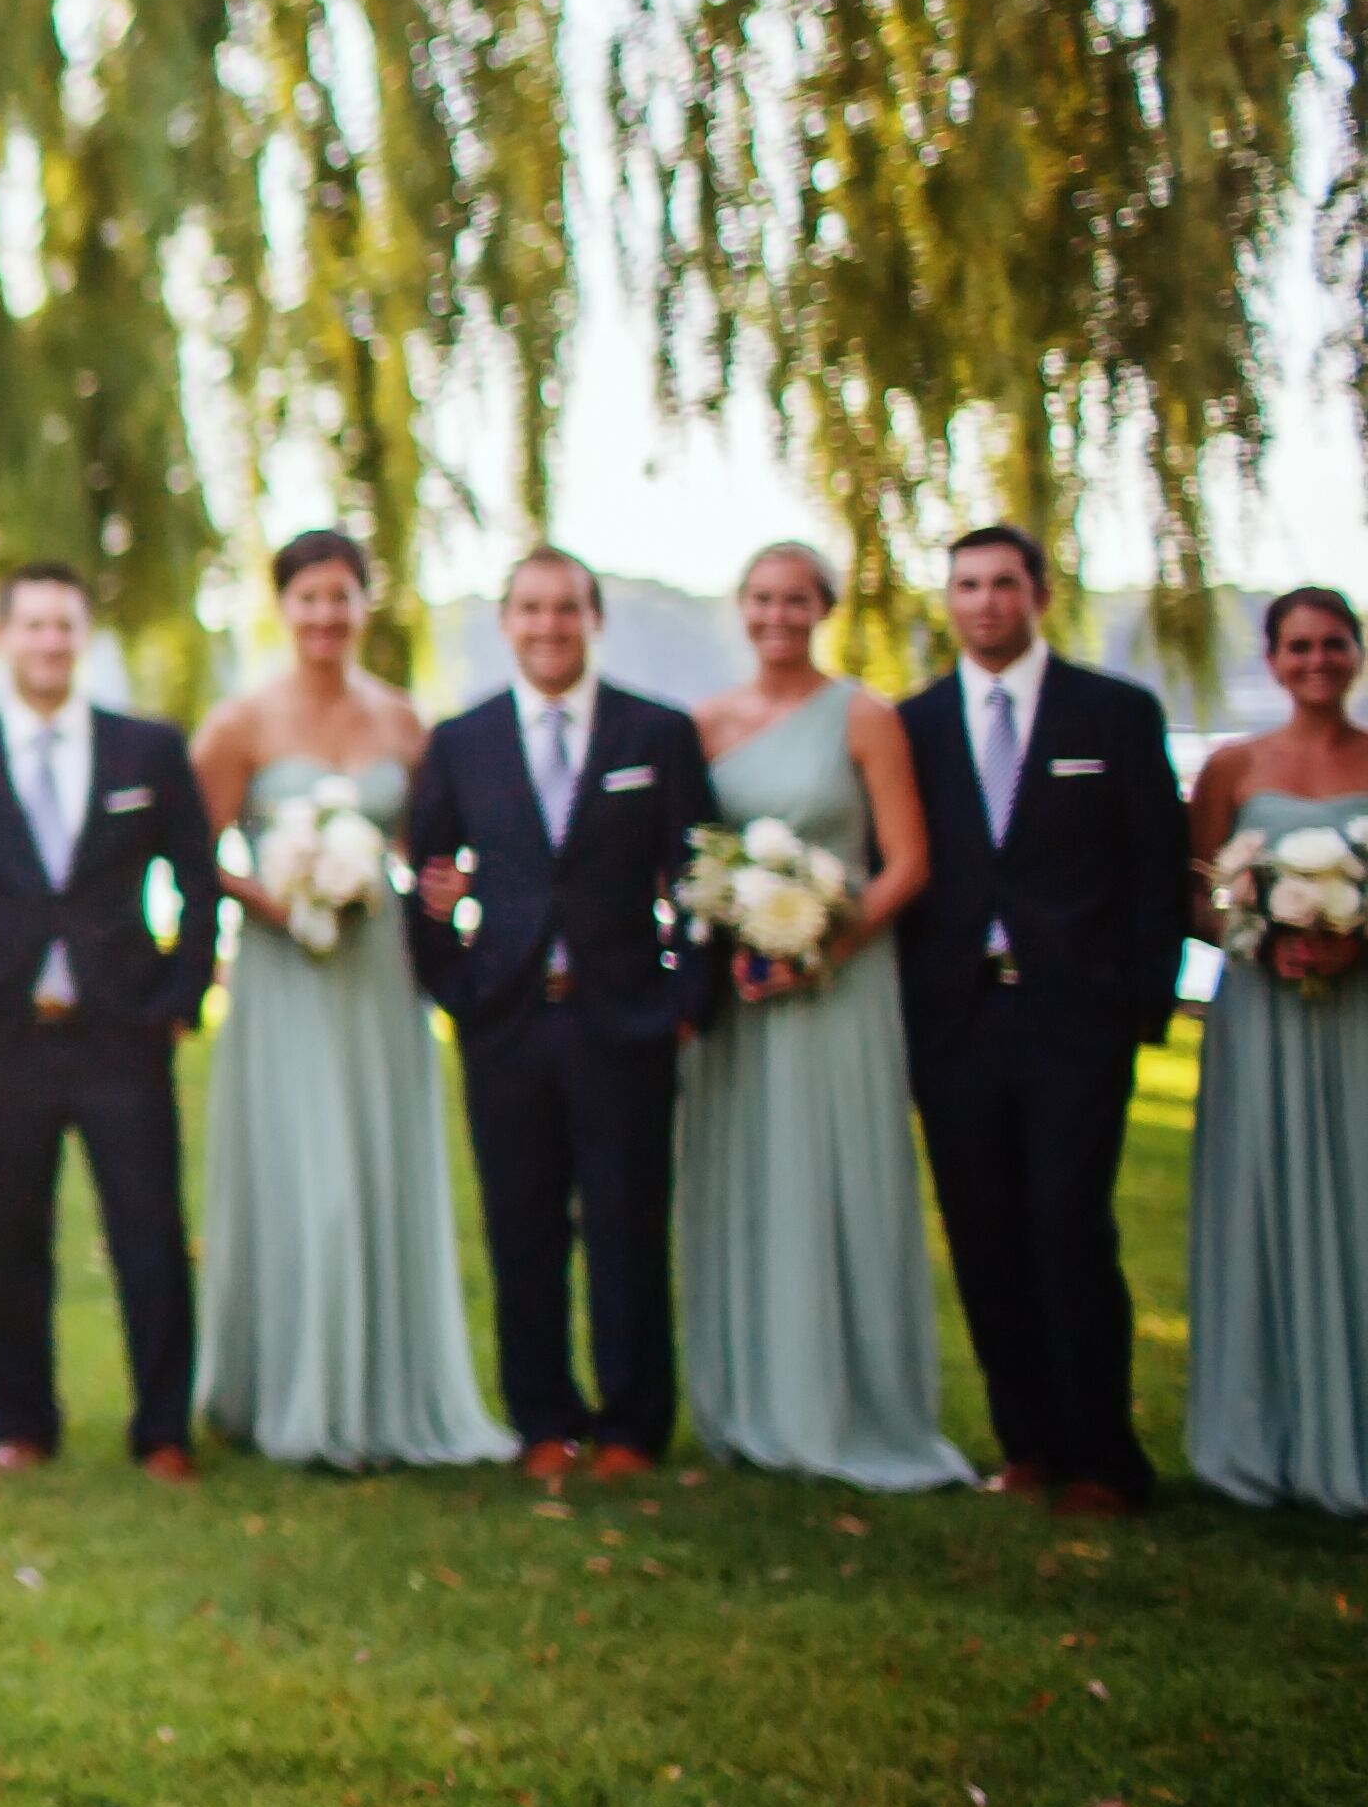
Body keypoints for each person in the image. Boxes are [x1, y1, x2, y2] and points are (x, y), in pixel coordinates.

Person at [191, 530, 512, 1471]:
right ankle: (284, 1392)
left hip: (376, 973)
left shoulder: (406, 724)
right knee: (305, 1179)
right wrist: (276, 898)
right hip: (286, 976)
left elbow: (427, 853)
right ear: (282, 608)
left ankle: (384, 1393)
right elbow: (198, 856)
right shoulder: (240, 723)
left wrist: (432, 886)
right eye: (308, 599)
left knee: (372, 1169)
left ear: (366, 605)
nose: (326, 616)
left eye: (343, 597)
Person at [895, 523, 1192, 1516]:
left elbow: (1158, 868)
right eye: (968, 584)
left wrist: (1138, 1002)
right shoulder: (917, 724)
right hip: (955, 1020)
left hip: (1075, 1018)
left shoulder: (1111, 711)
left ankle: (1104, 1453)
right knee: (983, 1234)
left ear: (1040, 592)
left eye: (1003, 583)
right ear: (950, 599)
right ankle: (1025, 1444)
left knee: (1069, 1226)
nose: (985, 601)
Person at [408, 544, 714, 1479]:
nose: (548, 626)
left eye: (566, 609)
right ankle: (543, 1419)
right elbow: (421, 878)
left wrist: (683, 1001)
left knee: (628, 1225)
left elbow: (701, 873)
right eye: (531, 610)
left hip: (622, 1020)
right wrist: (457, 989)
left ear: (594, 620)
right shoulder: (462, 741)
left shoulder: (656, 735)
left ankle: (630, 1426)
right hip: (508, 1025)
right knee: (521, 1225)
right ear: (507, 622)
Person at [678, 541, 973, 1489]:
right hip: (739, 1000)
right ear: (741, 607)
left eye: (795, 600)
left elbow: (909, 864)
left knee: (833, 1175)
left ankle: (851, 1405)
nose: (777, 615)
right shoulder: (705, 725)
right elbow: (686, 861)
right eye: (761, 598)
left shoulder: (865, 716)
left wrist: (822, 950)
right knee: (745, 1177)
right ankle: (749, 1403)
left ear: (823, 609)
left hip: (839, 990)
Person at [0, 563, 219, 1480]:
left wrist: (178, 1000)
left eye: (66, 626)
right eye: (34, 625)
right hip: (5, 1036)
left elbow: (199, 881)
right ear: (4, 637)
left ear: (84, 637)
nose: (51, 641)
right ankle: (22, 1424)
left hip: (122, 1030)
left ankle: (164, 1430)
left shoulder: (149, 752)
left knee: (149, 1230)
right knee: (12, 1236)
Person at [1186, 586, 1368, 1514]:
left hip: (1359, 1013)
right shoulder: (1233, 765)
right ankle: (1259, 1433)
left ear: (1357, 653)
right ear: (1273, 659)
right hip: (1260, 1013)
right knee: (1262, 1198)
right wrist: (1263, 929)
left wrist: (1351, 935)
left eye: (1333, 645)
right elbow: (1195, 895)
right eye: (1298, 647)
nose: (1317, 662)